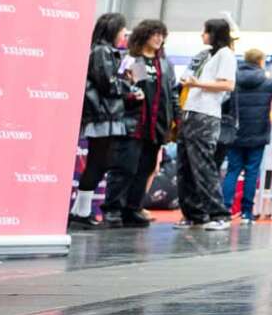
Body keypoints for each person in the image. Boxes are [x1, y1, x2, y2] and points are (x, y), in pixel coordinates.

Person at [102, 19, 176, 228]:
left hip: (157, 126)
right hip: (133, 124)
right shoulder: (134, 60)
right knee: (124, 168)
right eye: (155, 34)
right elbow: (126, 89)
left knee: (145, 169)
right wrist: (131, 93)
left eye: (162, 35)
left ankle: (132, 208)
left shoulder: (163, 63)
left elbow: (172, 95)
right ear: (144, 35)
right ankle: (113, 210)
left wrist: (175, 120)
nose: (159, 38)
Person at [69, 13, 135, 230]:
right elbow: (108, 84)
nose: (124, 35)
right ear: (114, 30)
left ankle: (81, 211)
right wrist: (128, 86)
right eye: (122, 31)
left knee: (100, 163)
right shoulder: (101, 51)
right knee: (98, 163)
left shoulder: (106, 52)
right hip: (102, 115)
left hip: (106, 114)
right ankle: (81, 212)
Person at [177, 18, 238, 230]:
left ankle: (219, 214)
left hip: (205, 115)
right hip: (189, 113)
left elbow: (228, 85)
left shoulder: (226, 55)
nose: (202, 35)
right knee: (184, 166)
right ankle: (193, 213)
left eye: (206, 31)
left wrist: (197, 83)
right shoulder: (205, 55)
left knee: (203, 165)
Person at [222, 48, 272, 223]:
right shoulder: (266, 82)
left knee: (232, 171)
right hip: (258, 134)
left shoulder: (234, 80)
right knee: (252, 173)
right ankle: (247, 213)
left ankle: (224, 211)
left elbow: (224, 104)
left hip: (235, 134)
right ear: (261, 62)